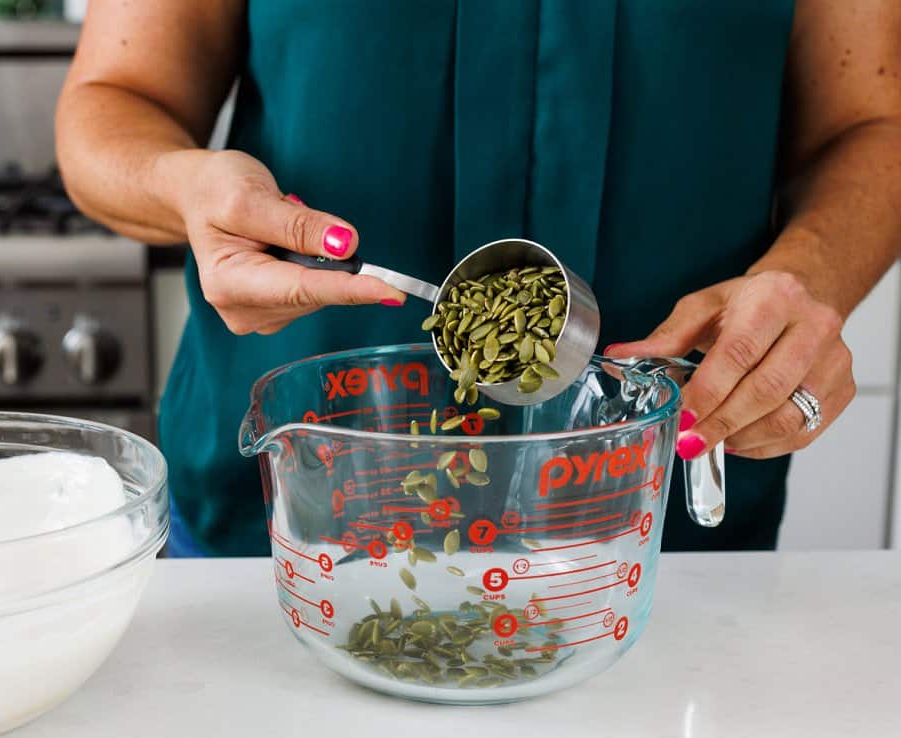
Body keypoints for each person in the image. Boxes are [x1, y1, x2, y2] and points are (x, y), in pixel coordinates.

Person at [57, 1, 901, 557]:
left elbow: (871, 122)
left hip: (650, 540)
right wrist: (184, 186)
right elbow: (111, 98)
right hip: (291, 536)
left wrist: (806, 277)